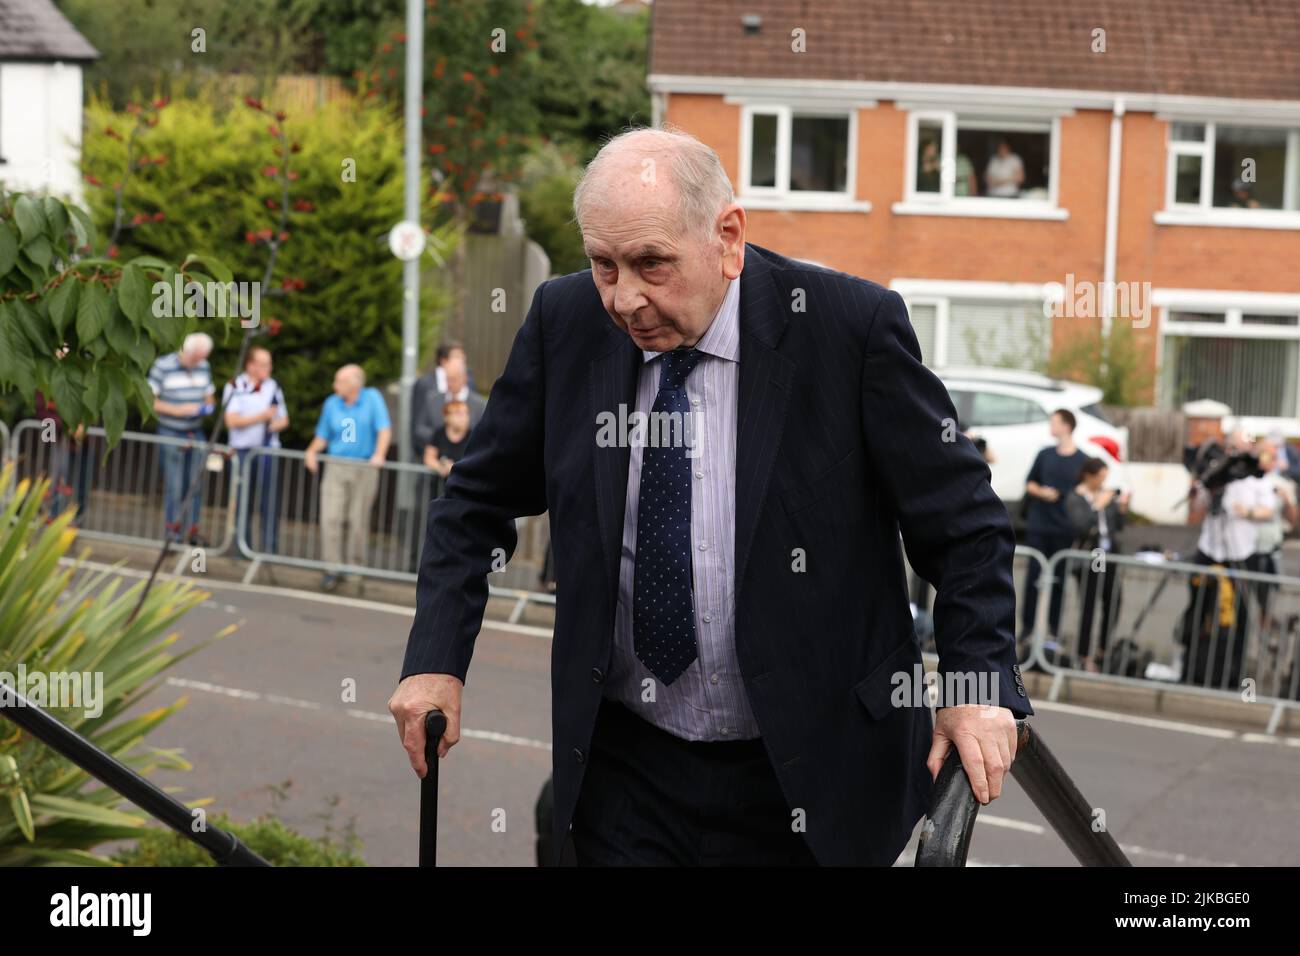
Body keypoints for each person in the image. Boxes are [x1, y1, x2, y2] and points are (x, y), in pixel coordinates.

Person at [389, 125, 1032, 867]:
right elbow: (473, 503)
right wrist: (435, 657)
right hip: (628, 765)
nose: (625, 298)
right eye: (603, 264)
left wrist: (975, 682)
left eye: (651, 264)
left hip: (807, 775)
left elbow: (966, 527)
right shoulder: (565, 323)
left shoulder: (847, 329)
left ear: (728, 237)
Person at [1183, 431, 1273, 688]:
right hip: (1209, 549)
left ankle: (1234, 673)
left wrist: (1249, 511)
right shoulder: (1213, 477)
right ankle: (1192, 665)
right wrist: (1199, 487)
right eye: (1230, 447)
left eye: (1240, 448)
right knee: (1198, 608)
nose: (1234, 453)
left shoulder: (1257, 479)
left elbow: (1268, 510)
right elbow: (1196, 511)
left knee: (1239, 615)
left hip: (1240, 553)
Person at [304, 365, 392, 593]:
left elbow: (384, 429)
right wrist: (311, 451)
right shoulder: (332, 403)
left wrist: (379, 454)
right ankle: (331, 569)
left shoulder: (372, 398)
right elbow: (323, 435)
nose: (334, 386)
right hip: (336, 465)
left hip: (363, 466)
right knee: (330, 517)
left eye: (339, 381)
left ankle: (354, 569)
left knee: (357, 520)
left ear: (354, 384)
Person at [1020, 409, 1091, 639]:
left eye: (1055, 422)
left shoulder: (1082, 460)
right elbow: (1029, 483)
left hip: (1064, 528)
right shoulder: (1045, 454)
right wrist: (1041, 491)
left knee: (1059, 581)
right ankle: (1027, 628)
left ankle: (1054, 630)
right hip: (1039, 524)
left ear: (1067, 426)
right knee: (1032, 578)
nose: (1051, 426)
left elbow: (1086, 492)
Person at [148, 332, 215, 545]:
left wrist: (207, 407)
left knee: (194, 485)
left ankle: (192, 531)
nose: (199, 362)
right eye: (196, 358)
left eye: (202, 358)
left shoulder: (204, 366)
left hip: (195, 431)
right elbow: (150, 401)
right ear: (186, 352)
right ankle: (173, 532)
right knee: (175, 486)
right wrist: (179, 410)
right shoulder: (162, 366)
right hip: (171, 431)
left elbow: (210, 395)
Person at [1065, 458, 1129, 672]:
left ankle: (1103, 650)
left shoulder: (1105, 495)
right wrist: (1096, 506)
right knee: (1089, 605)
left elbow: (1117, 526)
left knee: (1113, 600)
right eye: (1100, 477)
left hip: (1106, 553)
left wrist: (1121, 509)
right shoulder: (1076, 497)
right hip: (1089, 554)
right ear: (1088, 476)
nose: (1103, 482)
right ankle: (1083, 655)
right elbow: (1081, 526)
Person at [223, 347, 289, 554]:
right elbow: (231, 420)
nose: (268, 368)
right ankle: (242, 547)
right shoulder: (236, 385)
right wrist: (261, 417)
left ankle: (270, 549)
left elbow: (283, 420)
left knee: (269, 500)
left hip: (267, 451)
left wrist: (273, 424)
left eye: (269, 363)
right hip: (242, 452)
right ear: (250, 365)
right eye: (263, 364)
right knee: (242, 500)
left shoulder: (273, 387)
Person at [423, 398, 471, 481]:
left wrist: (453, 468)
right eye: (458, 413)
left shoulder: (473, 435)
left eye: (466, 413)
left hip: (463, 486)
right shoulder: (439, 434)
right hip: (439, 486)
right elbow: (429, 458)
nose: (463, 417)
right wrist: (440, 466)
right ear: (446, 417)